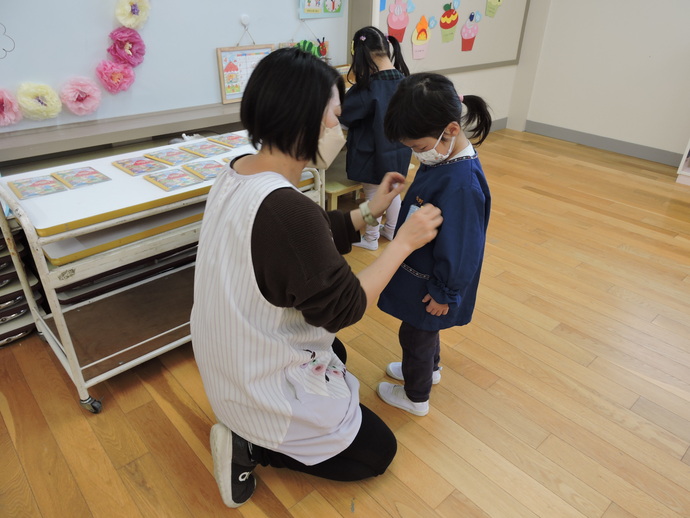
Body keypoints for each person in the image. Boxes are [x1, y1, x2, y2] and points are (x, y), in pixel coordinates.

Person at [190, 48, 443, 509]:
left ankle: (255, 424)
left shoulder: (236, 173)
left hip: (222, 358)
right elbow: (344, 306)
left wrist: (370, 211)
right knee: (377, 453)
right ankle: (253, 445)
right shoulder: (289, 211)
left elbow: (304, 247)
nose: (338, 129)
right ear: (305, 119)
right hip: (249, 384)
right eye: (334, 115)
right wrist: (402, 242)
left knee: (336, 355)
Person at [376, 72, 492, 417]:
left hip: (435, 281)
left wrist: (446, 292)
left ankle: (416, 396)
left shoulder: (463, 184)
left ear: (451, 130)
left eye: (420, 148)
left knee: (416, 334)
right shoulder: (446, 159)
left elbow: (463, 248)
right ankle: (430, 369)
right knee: (425, 331)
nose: (417, 155)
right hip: (425, 271)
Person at [338, 26, 412, 251]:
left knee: (373, 197)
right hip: (399, 152)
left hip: (372, 154)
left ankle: (370, 238)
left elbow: (344, 114)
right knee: (392, 192)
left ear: (360, 55)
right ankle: (391, 229)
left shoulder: (368, 88)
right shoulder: (405, 82)